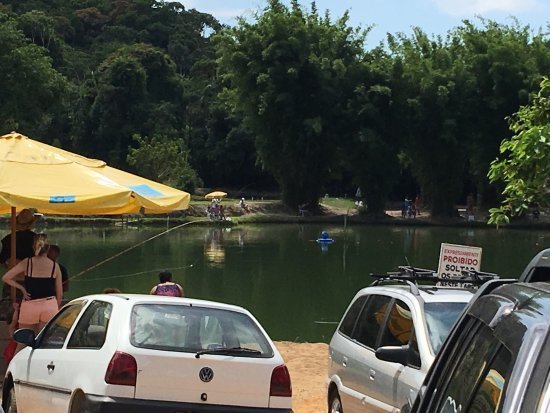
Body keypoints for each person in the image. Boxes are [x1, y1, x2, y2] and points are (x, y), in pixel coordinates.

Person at [2, 234, 62, 350]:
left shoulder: (27, 262)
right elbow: (59, 294)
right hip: (50, 305)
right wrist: (56, 307)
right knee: (43, 345)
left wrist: (22, 288)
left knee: (22, 345)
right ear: (48, 248)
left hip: (30, 305)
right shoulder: (55, 266)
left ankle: (15, 367)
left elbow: (6, 277)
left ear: (34, 247)